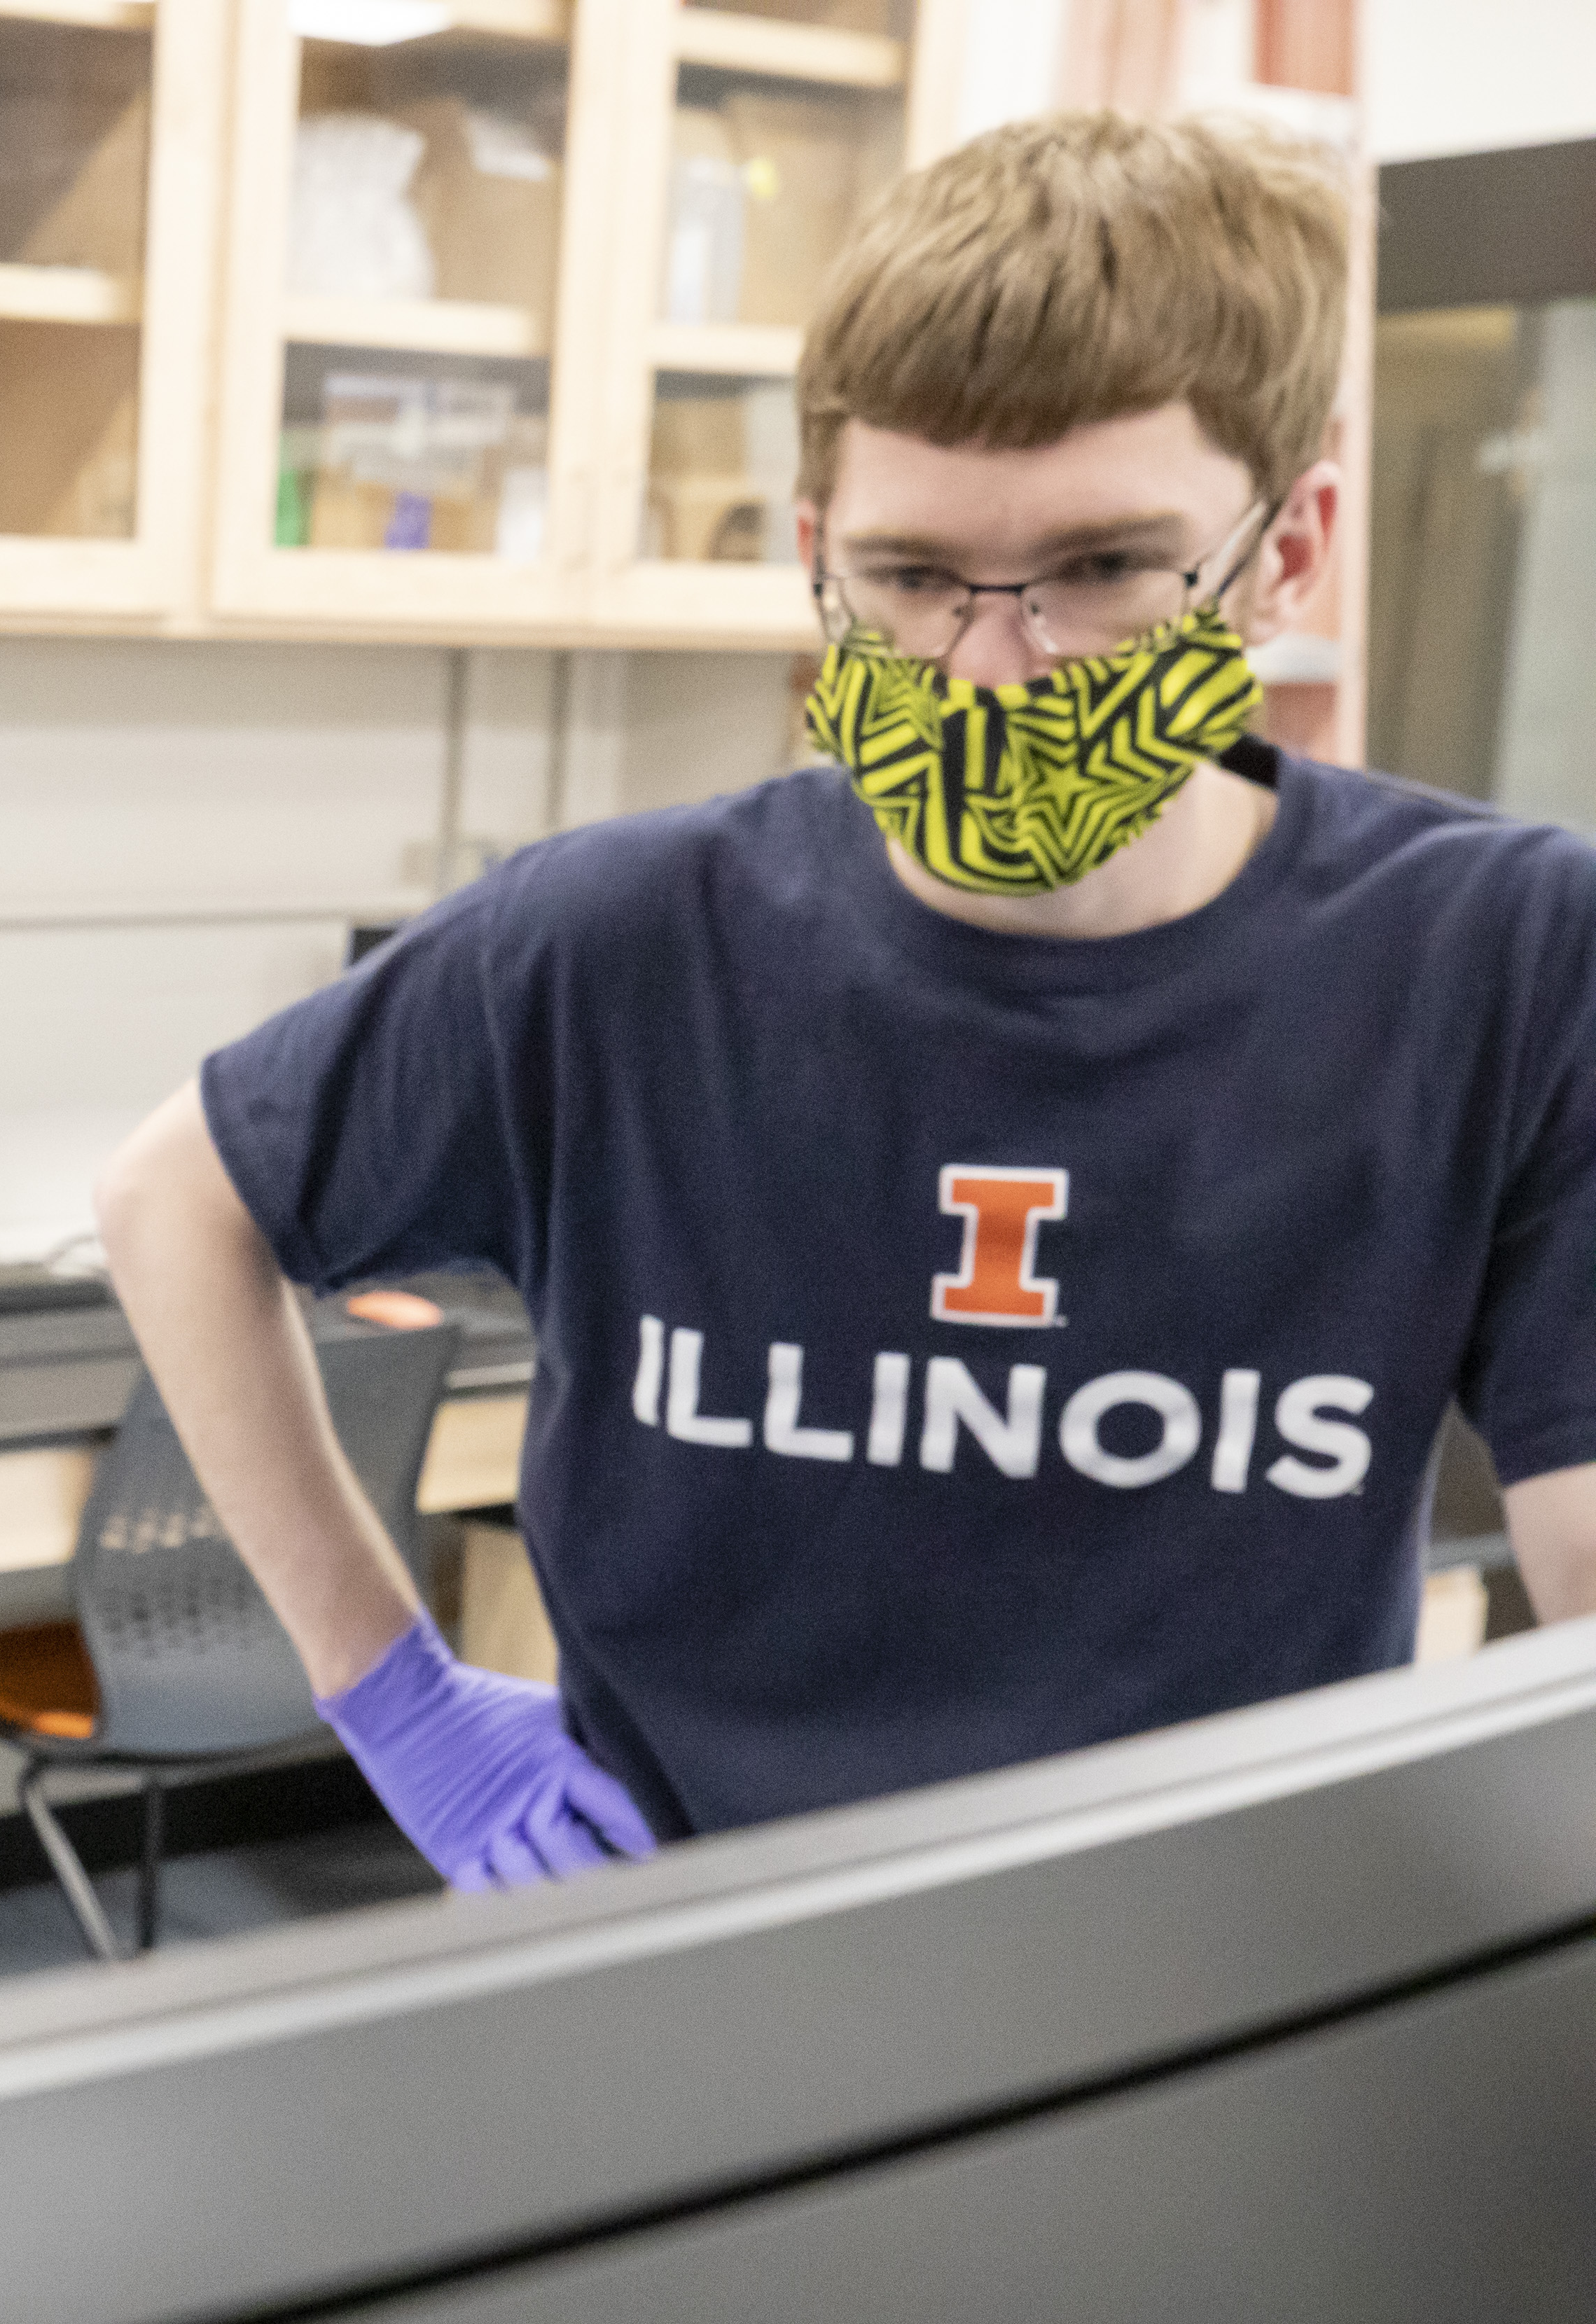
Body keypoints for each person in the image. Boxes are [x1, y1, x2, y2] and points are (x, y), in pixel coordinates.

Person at [99, 112, 1596, 1888]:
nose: (991, 663)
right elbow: (174, 1196)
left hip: (1208, 1977)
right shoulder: (616, 943)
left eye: (1103, 570)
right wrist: (399, 1702)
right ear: (815, 545)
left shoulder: (1502, 962)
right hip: (686, 1957)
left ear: (1294, 544)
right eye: (908, 576)